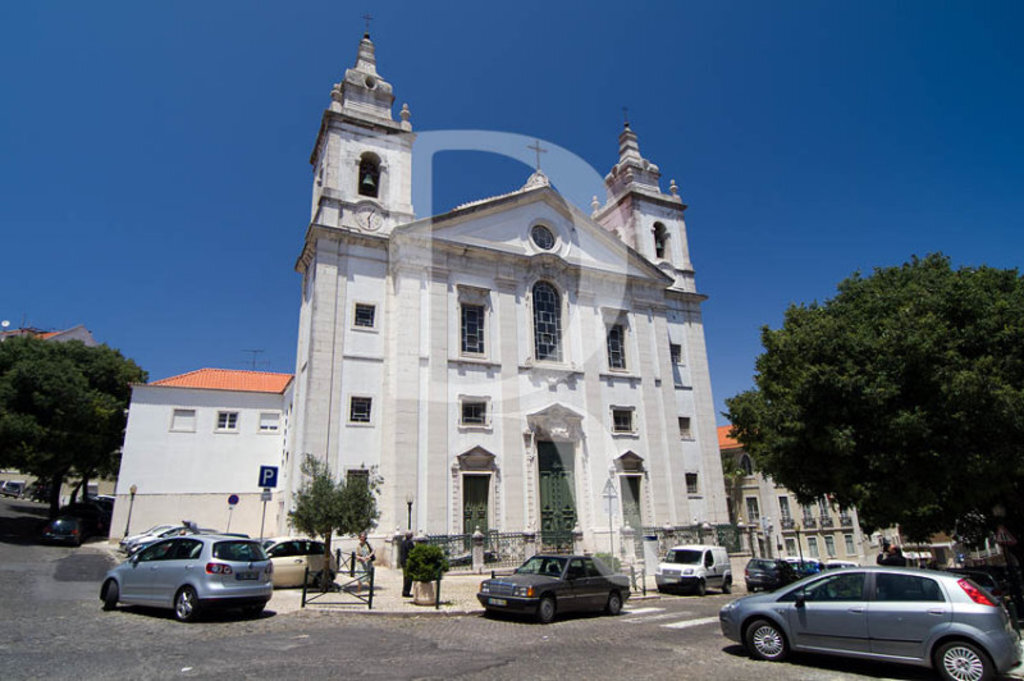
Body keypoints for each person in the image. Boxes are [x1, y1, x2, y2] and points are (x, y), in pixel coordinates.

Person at [399, 531, 415, 598]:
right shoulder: (409, 543)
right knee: (408, 578)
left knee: (405, 577)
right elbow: (411, 552)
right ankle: (406, 592)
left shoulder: (402, 542)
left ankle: (405, 591)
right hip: (407, 562)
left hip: (403, 561)